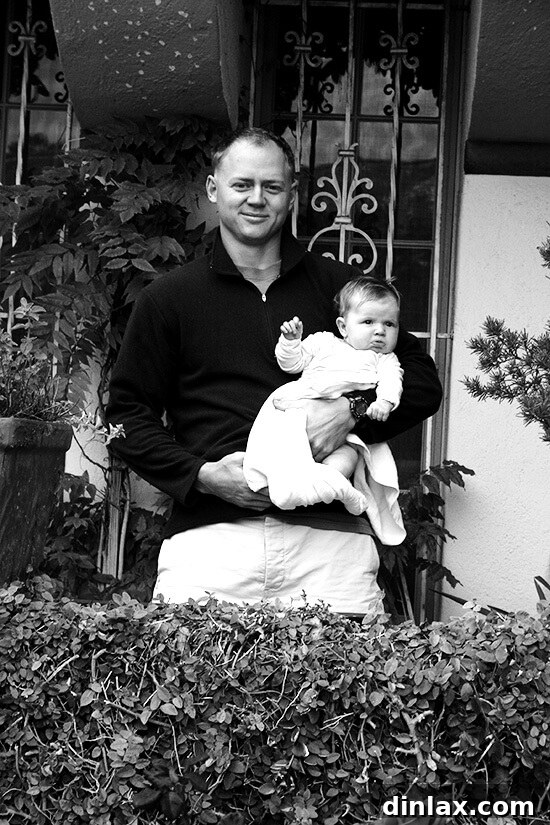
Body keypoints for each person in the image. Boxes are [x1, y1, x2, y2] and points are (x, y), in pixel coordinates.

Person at [106, 126, 442, 616]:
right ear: (213, 189)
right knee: (195, 692)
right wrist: (200, 476)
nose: (256, 199)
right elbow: (125, 416)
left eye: (272, 187)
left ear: (291, 195)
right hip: (211, 545)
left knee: (345, 690)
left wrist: (352, 415)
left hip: (330, 545)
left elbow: (421, 380)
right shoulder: (169, 298)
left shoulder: (342, 292)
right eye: (242, 185)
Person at [243, 277, 406, 546]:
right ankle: (286, 490)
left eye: (389, 324)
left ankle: (333, 485)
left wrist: (383, 403)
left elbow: (392, 383)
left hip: (343, 433)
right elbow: (291, 364)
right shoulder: (324, 343)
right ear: (343, 326)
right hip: (300, 406)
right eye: (368, 322)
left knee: (351, 456)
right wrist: (290, 341)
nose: (380, 331)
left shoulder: (385, 360)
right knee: (282, 444)